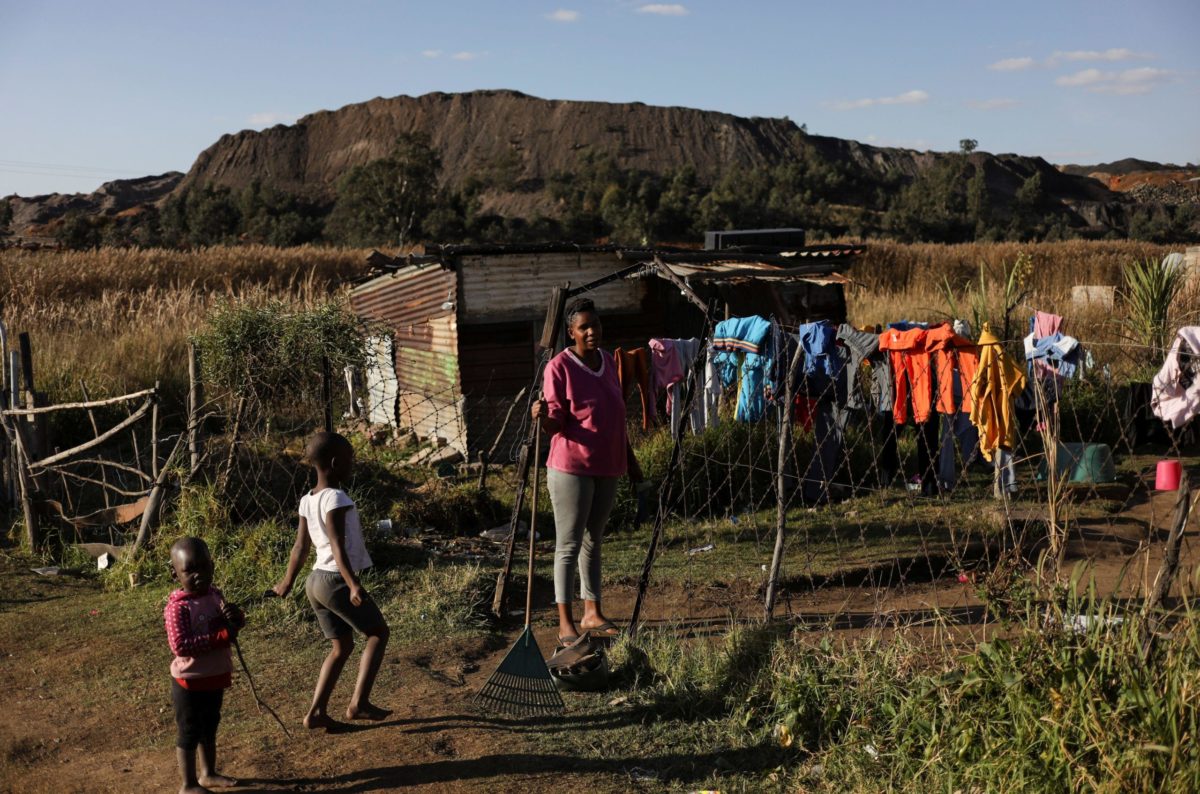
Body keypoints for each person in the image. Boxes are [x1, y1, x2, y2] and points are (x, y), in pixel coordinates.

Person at [531, 298, 644, 647]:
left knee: (594, 540)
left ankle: (592, 612)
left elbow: (616, 417)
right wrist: (542, 417)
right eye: (584, 327)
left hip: (607, 466)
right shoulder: (559, 368)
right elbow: (556, 423)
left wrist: (631, 462)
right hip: (572, 468)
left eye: (595, 324)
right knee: (569, 544)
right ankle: (566, 622)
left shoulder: (608, 362)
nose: (592, 331)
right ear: (572, 333)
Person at [271, 431, 391, 730]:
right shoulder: (337, 498)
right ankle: (359, 703)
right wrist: (352, 583)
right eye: (350, 459)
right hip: (335, 580)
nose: (353, 464)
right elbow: (337, 544)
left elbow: (300, 547)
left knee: (341, 647)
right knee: (378, 633)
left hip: (315, 582)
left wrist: (287, 583)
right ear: (336, 463)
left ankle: (316, 713)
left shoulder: (307, 500)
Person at [164, 536, 243, 794]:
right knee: (189, 731)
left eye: (204, 567)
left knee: (209, 726)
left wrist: (235, 620)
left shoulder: (215, 595)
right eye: (189, 570)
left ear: (213, 565)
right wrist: (221, 636)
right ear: (175, 574)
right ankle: (188, 785)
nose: (198, 574)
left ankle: (208, 774)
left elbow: (225, 628)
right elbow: (180, 646)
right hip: (189, 682)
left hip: (214, 676)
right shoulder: (178, 608)